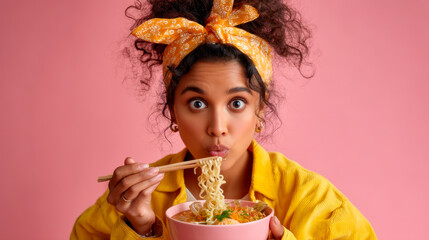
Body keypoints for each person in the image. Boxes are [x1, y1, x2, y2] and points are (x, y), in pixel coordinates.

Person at [71, 0, 377, 239]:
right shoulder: (136, 201)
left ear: (260, 111)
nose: (217, 127)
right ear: (173, 112)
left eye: (237, 103)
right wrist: (141, 228)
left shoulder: (309, 198)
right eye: (198, 103)